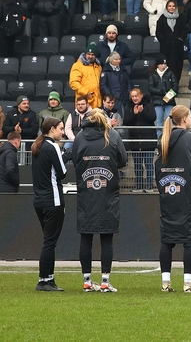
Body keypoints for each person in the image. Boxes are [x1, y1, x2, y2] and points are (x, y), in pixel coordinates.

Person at [156, 105, 191, 293]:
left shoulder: (163, 139)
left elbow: (157, 167)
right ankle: (187, 283)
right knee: (190, 240)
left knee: (167, 239)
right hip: (188, 195)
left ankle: (165, 282)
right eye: (190, 116)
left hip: (168, 195)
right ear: (185, 118)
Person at [73, 109, 128, 293]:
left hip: (86, 194)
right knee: (107, 237)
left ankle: (87, 281)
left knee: (85, 236)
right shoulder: (111, 135)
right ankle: (105, 282)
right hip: (108, 194)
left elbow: (75, 159)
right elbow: (123, 160)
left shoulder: (80, 136)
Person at [32, 117, 68, 291]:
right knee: (50, 242)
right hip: (53, 200)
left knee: (48, 241)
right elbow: (62, 173)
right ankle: (45, 280)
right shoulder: (52, 146)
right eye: (61, 129)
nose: (62, 132)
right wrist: (66, 156)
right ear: (52, 129)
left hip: (39, 200)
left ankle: (46, 278)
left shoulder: (37, 146)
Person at [156, 0, 187, 84]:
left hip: (178, 47)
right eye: (169, 6)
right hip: (166, 48)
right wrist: (165, 41)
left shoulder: (180, 18)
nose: (171, 8)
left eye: (173, 6)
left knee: (177, 66)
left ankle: (176, 85)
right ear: (167, 7)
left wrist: (180, 39)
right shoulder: (162, 18)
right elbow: (158, 32)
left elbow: (184, 30)